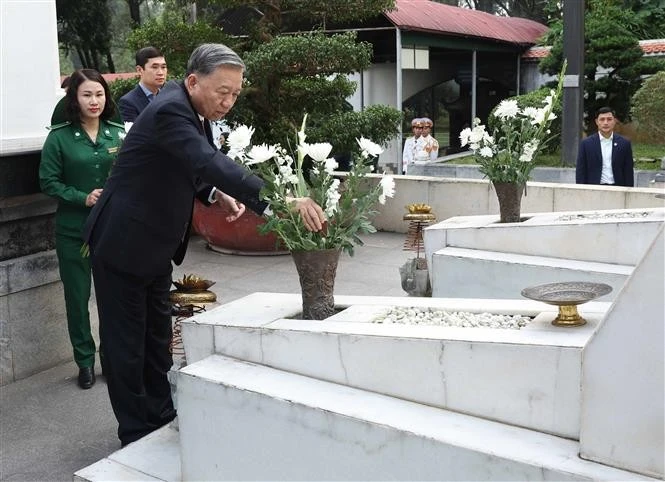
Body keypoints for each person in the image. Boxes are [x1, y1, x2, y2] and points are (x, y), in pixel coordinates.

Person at [83, 43, 326, 447]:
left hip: (154, 246)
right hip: (123, 242)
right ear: (193, 81)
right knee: (127, 346)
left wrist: (214, 194)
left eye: (235, 93)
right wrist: (279, 198)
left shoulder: (192, 109)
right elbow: (207, 160)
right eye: (222, 92)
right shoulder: (170, 110)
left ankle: (161, 415)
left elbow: (189, 164)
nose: (228, 102)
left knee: (156, 340)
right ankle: (136, 432)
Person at [39, 69, 125, 390]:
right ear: (74, 99)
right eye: (87, 95)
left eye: (99, 94)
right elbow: (48, 182)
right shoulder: (59, 137)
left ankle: (110, 359)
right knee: (77, 299)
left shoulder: (117, 133)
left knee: (112, 299)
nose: (94, 101)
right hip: (74, 230)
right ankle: (85, 362)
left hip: (111, 230)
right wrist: (82, 197)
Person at [576, 107, 634, 187]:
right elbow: (581, 171)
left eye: (609, 119)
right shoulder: (586, 144)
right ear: (597, 122)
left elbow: (628, 171)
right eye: (602, 119)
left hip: (618, 189)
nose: (605, 123)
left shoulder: (624, 144)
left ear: (614, 121)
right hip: (594, 189)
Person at [118, 46, 168, 122]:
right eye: (154, 67)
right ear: (139, 70)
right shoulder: (128, 102)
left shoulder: (169, 96)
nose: (160, 72)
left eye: (163, 67)